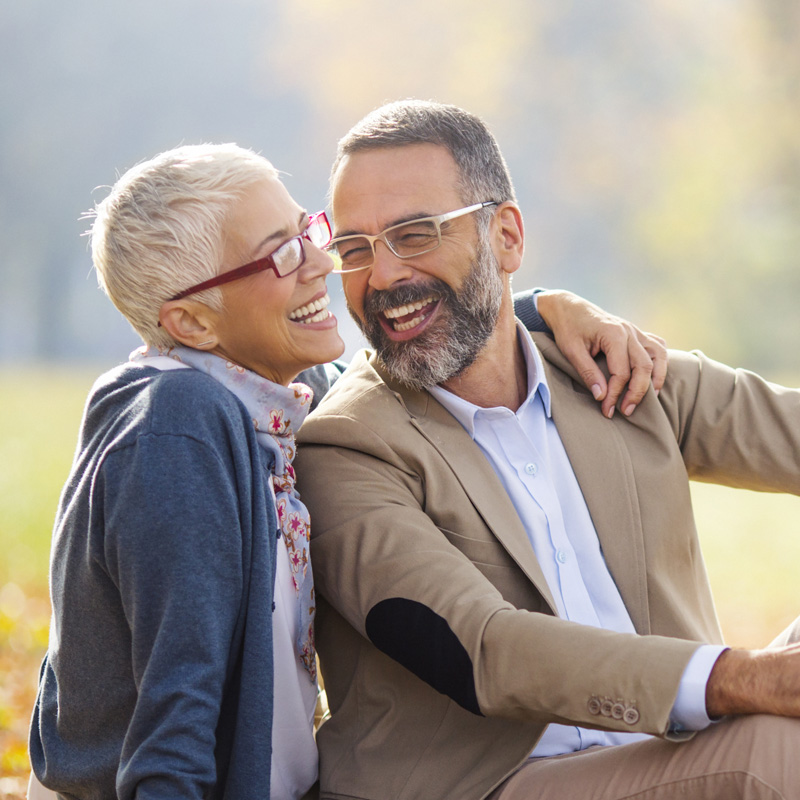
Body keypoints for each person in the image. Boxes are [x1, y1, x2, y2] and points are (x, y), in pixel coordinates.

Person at [27, 142, 661, 800]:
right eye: (281, 254)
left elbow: (402, 359)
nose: (322, 263)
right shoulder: (178, 429)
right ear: (191, 321)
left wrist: (541, 309)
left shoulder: (276, 398)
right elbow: (174, 722)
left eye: (308, 231)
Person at [294, 100, 800, 800]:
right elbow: (487, 650)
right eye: (354, 249)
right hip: (493, 785)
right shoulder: (345, 447)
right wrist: (744, 678)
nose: (380, 278)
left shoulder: (612, 367)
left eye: (414, 235)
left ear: (505, 236)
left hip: (671, 753)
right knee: (776, 749)